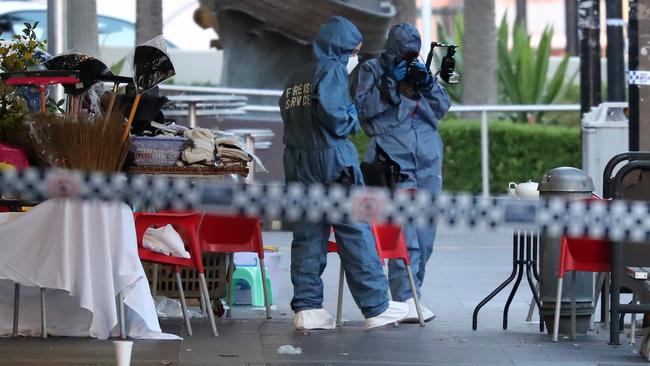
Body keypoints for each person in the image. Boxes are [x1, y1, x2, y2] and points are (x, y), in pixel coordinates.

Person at [279, 16, 409, 330]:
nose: (355, 56)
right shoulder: (333, 70)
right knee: (355, 230)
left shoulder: (297, 75)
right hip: (333, 161)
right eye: (354, 49)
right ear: (341, 46)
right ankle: (376, 306)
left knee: (308, 235)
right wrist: (354, 117)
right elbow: (337, 118)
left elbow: (288, 113)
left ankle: (308, 309)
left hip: (298, 162)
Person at [351, 23, 451, 323]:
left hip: (428, 159)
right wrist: (391, 87)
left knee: (425, 232)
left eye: (412, 52)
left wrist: (428, 83)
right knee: (403, 232)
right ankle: (403, 296)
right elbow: (363, 110)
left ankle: (412, 295)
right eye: (402, 52)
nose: (407, 58)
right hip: (391, 158)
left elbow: (443, 107)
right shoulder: (371, 70)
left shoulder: (419, 68)